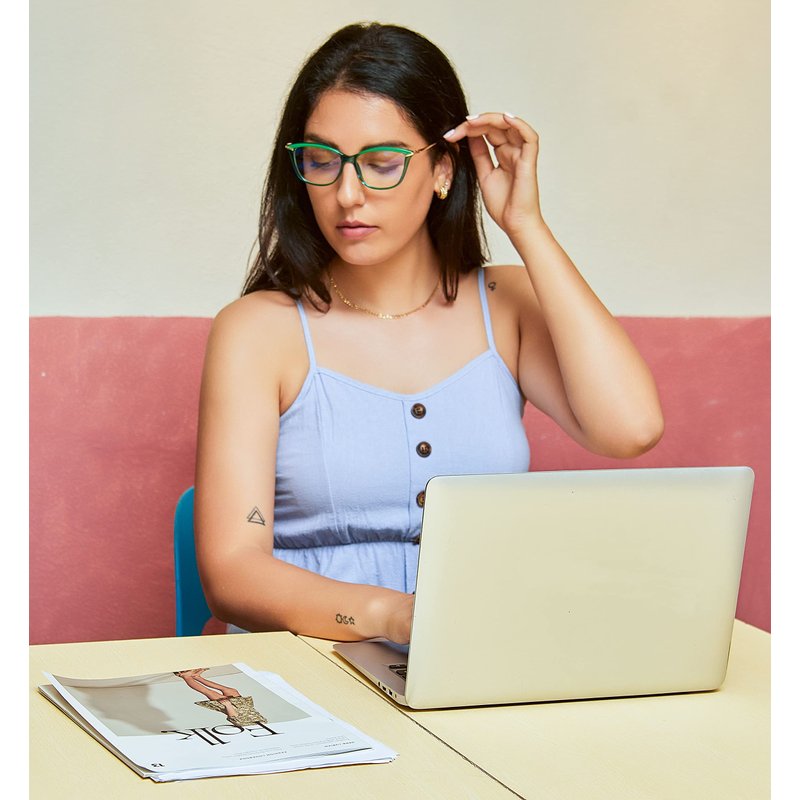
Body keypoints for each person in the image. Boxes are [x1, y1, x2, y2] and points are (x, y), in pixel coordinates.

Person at [194, 22, 663, 645]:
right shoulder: (256, 330)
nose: (348, 195)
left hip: (480, 655)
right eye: (322, 162)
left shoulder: (507, 305)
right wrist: (392, 616)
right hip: (307, 665)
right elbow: (232, 572)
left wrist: (525, 224)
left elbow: (631, 429)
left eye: (382, 164)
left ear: (443, 168)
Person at [174, 669, 269, 727]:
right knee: (229, 690)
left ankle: (185, 676)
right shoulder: (264, 723)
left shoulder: (248, 728)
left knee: (208, 692)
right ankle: (197, 677)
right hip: (242, 704)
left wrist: (228, 705)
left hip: (230, 707)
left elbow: (234, 719)